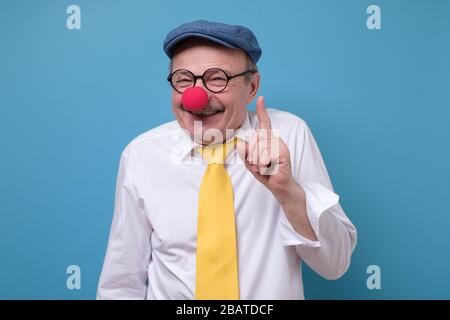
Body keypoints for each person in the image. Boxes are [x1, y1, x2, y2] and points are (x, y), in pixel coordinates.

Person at [97, 20, 357, 300]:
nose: (197, 97)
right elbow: (121, 284)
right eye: (184, 79)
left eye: (217, 77)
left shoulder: (289, 136)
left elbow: (336, 264)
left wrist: (288, 192)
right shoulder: (142, 154)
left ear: (252, 87)